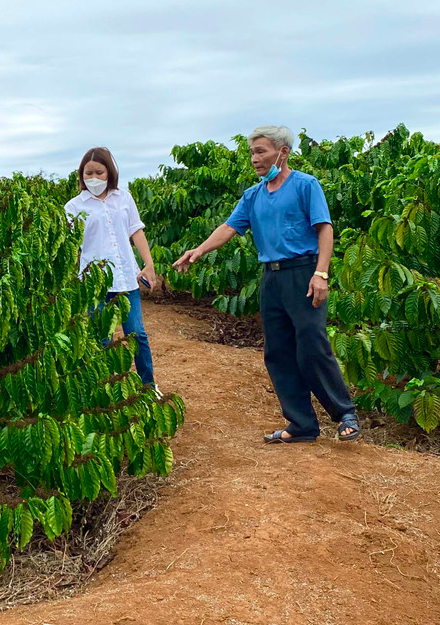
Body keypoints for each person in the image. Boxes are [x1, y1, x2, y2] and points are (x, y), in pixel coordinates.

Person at [172, 126, 361, 444]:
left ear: (282, 152)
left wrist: (321, 273)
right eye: (252, 152)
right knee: (278, 352)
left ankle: (345, 414)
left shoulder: (305, 185)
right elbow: (229, 227)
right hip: (271, 278)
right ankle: (302, 424)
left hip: (303, 273)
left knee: (312, 344)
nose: (254, 158)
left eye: (261, 151)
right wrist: (200, 250)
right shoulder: (253, 195)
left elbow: (324, 229)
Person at [65, 147, 161, 394]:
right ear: (81, 174)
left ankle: (148, 385)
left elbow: (136, 231)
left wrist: (148, 264)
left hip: (126, 278)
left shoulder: (123, 198)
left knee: (137, 334)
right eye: (88, 173)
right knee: (101, 339)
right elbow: (70, 246)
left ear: (110, 172)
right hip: (93, 284)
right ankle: (105, 388)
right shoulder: (74, 206)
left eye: (99, 172)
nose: (94, 178)